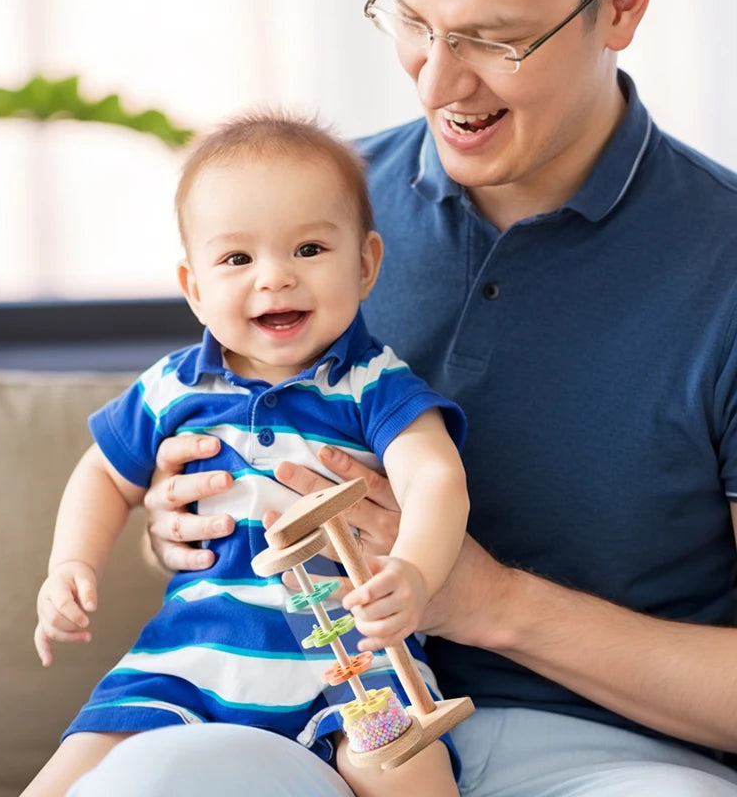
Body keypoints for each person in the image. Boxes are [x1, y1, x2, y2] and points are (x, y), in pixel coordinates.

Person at [69, 0, 737, 796]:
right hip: (306, 719)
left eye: (497, 39)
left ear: (623, 11)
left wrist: (488, 602)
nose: (438, 80)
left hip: (614, 754)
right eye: (413, 22)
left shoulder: (721, 261)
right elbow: (191, 443)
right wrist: (182, 524)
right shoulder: (303, 210)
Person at [24, 113, 470, 797]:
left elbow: (436, 476)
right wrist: (70, 566)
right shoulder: (173, 386)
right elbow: (103, 475)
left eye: (310, 249)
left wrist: (414, 572)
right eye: (237, 259)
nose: (275, 279)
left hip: (352, 665)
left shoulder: (371, 384)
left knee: (406, 765)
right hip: (191, 657)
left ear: (366, 263)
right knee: (76, 767)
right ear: (194, 285)